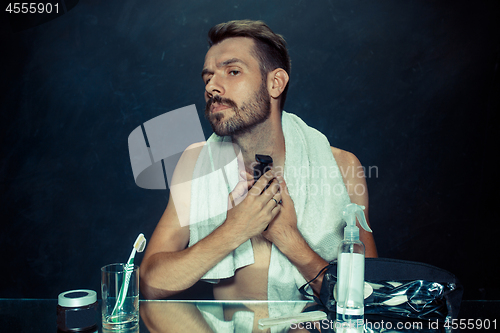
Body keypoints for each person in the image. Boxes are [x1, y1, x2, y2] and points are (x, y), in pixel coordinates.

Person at [140, 20, 377, 300]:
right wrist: (234, 230)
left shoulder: (343, 167)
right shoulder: (196, 164)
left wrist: (289, 239)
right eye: (207, 78)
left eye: (233, 71)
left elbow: (373, 295)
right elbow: (150, 283)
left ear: (275, 83)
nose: (212, 87)